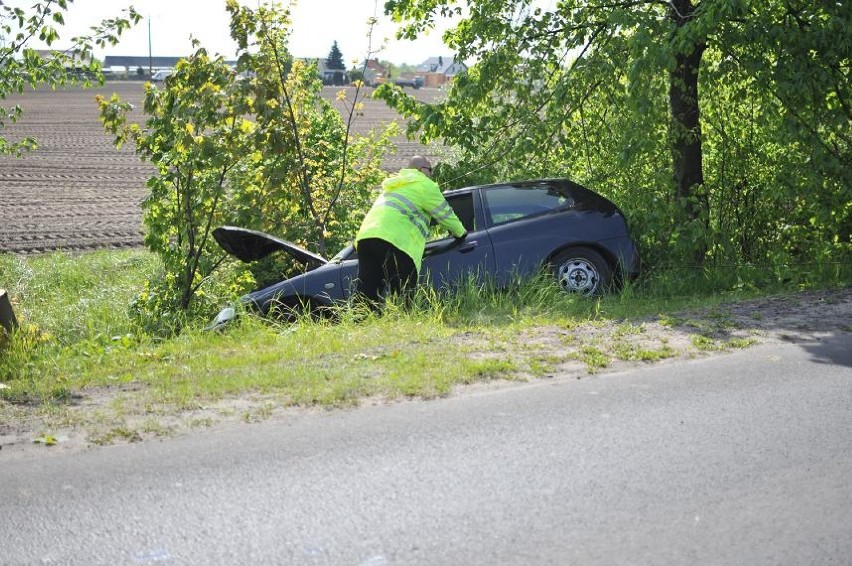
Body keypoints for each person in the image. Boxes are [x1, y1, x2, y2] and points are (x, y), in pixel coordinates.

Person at [355, 156, 468, 307]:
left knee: (367, 288)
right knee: (404, 290)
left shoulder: (394, 185)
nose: (432, 174)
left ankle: (361, 323)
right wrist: (461, 233)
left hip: (366, 237)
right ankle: (406, 323)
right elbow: (445, 214)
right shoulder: (425, 184)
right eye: (430, 170)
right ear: (421, 170)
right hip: (395, 240)